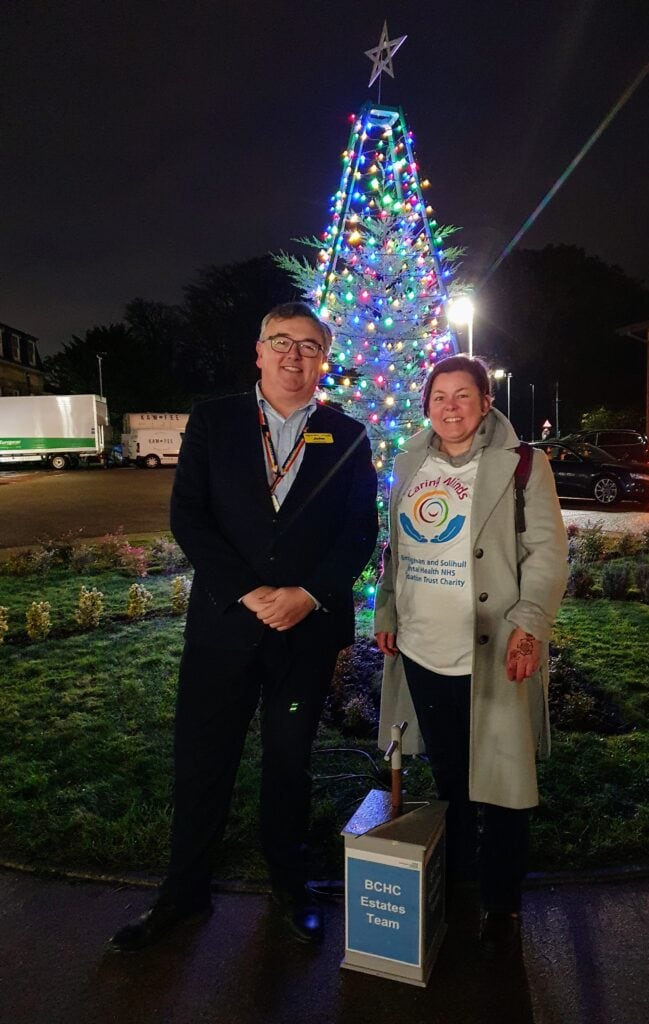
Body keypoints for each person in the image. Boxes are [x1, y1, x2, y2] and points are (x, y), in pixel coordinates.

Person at [111, 302, 378, 951]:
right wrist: (253, 592)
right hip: (224, 628)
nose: (293, 355)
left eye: (308, 345)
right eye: (280, 342)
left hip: (304, 634)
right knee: (202, 764)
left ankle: (290, 886)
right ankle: (183, 896)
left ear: (323, 360)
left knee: (290, 764)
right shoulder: (214, 420)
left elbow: (358, 532)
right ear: (258, 353)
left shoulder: (347, 435)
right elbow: (189, 517)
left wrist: (308, 595)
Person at [374, 355, 568, 959]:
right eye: (439, 396)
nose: (450, 406)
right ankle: (455, 885)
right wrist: (387, 612)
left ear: (487, 402)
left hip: (492, 650)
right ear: (426, 404)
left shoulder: (520, 464)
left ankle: (501, 901)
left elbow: (547, 550)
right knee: (453, 781)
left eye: (463, 395)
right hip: (425, 649)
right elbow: (397, 548)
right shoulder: (410, 462)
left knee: (502, 785)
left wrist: (529, 624)